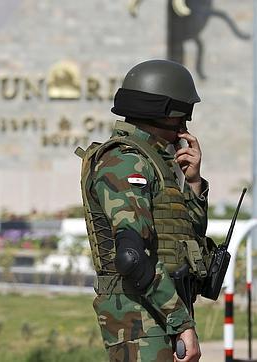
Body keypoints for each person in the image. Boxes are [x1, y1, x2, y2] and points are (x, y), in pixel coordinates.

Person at [76, 59, 212, 361]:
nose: (185, 123)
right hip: (139, 320)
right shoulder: (124, 161)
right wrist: (180, 322)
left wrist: (193, 184)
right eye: (183, 113)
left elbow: (184, 235)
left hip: (159, 310)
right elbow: (132, 257)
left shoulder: (155, 161)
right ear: (165, 110)